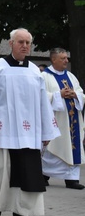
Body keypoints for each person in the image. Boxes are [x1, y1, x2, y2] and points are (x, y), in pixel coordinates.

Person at [0, 28, 60, 216]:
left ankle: (22, 211)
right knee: (1, 170)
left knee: (27, 172)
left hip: (29, 133)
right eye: (21, 42)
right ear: (11, 44)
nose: (25, 46)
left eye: (28, 42)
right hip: (3, 130)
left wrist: (46, 131)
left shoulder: (36, 71)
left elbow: (43, 103)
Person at [41, 48, 85, 190]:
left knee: (73, 147)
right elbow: (40, 96)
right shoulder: (44, 77)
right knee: (52, 148)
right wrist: (58, 94)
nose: (66, 60)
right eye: (63, 58)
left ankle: (71, 179)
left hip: (73, 120)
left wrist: (75, 94)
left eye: (67, 58)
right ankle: (43, 175)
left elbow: (81, 93)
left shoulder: (71, 76)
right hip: (55, 120)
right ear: (53, 59)